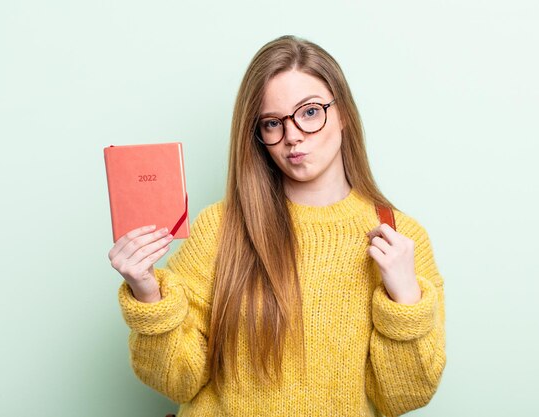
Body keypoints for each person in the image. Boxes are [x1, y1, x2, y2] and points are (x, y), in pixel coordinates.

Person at [108, 35, 446, 417]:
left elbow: (403, 397)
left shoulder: (401, 238)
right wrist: (148, 295)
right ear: (258, 135)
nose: (293, 136)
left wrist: (405, 301)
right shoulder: (221, 228)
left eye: (310, 112)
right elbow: (177, 381)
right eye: (272, 123)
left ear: (343, 114)